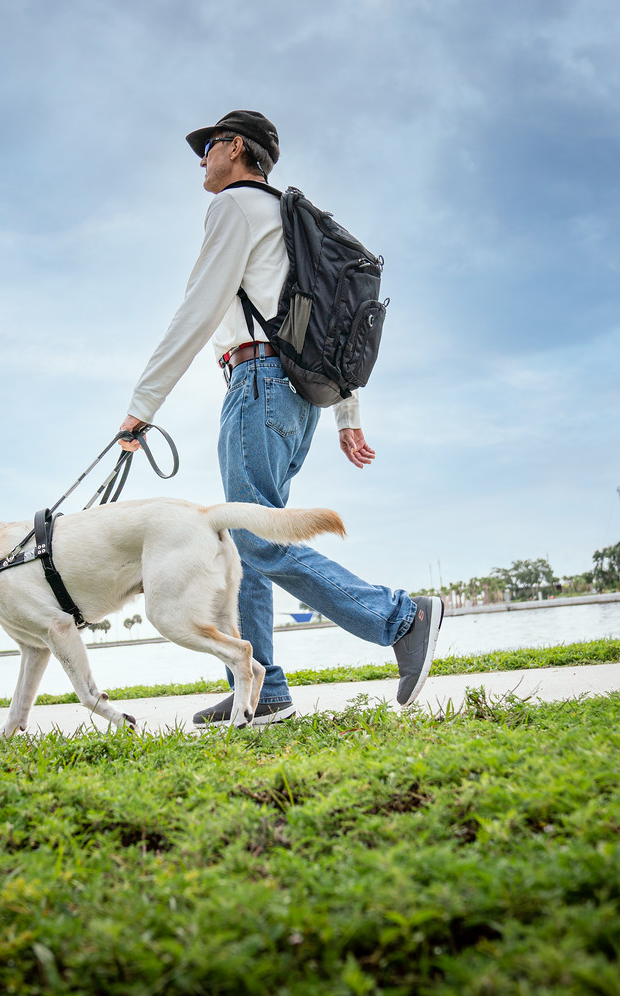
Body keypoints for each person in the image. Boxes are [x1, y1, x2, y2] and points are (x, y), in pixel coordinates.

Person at [117, 109, 443, 727]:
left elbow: (195, 313)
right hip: (296, 397)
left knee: (254, 537)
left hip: (259, 383)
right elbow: (332, 317)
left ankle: (402, 617)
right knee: (249, 540)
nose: (203, 157)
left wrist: (141, 409)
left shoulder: (234, 207)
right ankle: (261, 688)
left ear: (236, 147)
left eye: (209, 145)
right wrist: (348, 412)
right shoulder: (287, 221)